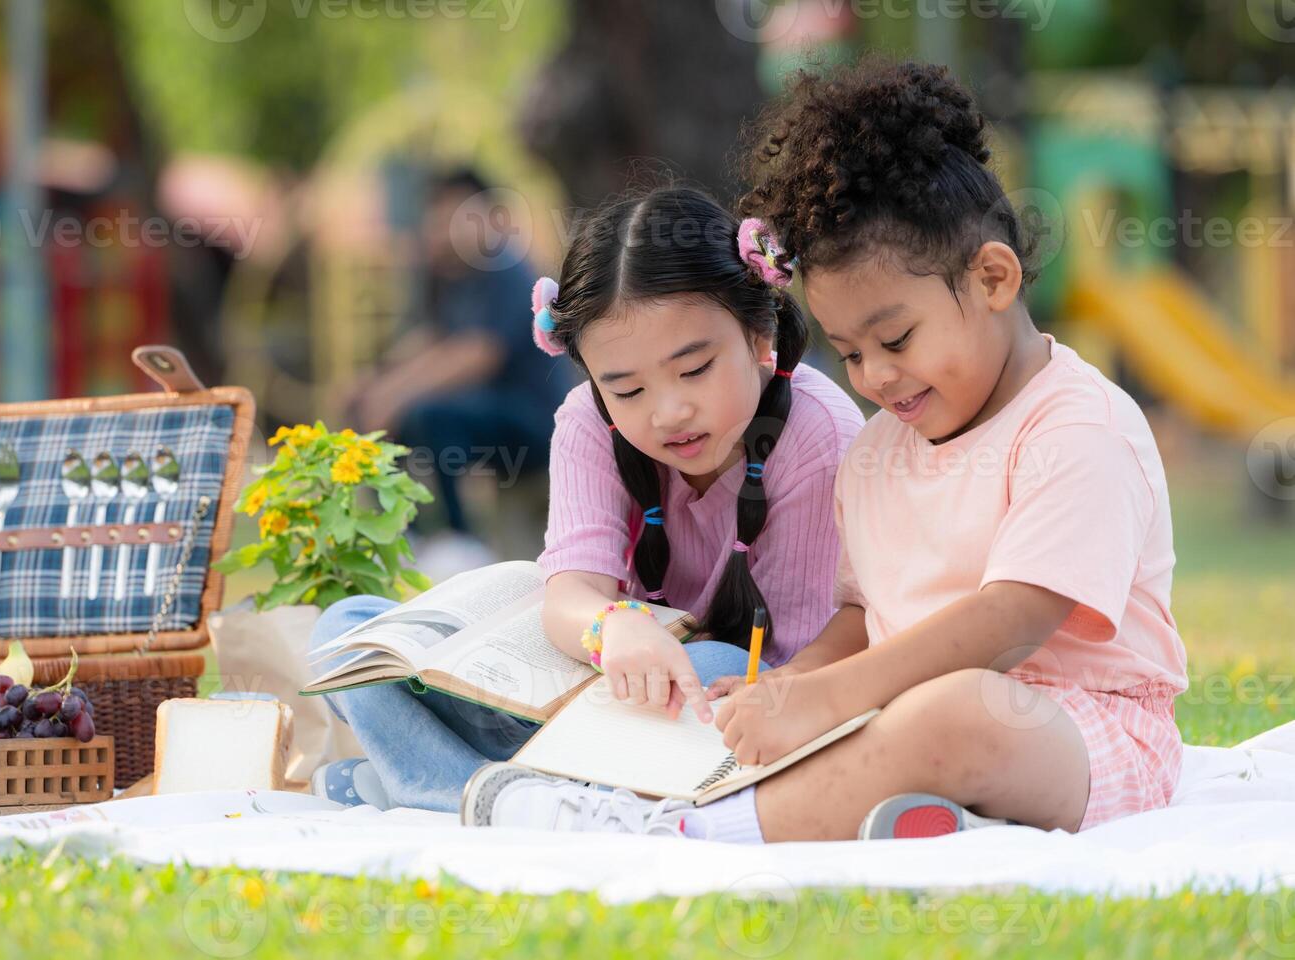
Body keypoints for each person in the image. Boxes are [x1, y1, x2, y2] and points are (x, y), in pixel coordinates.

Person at [461, 60, 1189, 842]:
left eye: (896, 338)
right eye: (849, 353)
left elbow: (1011, 620)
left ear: (992, 278)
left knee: (964, 711)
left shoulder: (1078, 427)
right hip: (897, 709)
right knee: (829, 717)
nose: (875, 376)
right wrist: (792, 690)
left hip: (1079, 731)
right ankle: (925, 820)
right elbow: (859, 614)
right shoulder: (879, 451)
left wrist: (831, 696)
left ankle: (673, 834)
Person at [308, 185, 864, 812]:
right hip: (587, 689)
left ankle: (447, 784)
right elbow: (572, 594)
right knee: (347, 634)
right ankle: (506, 793)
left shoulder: (816, 434)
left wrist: (685, 671)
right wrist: (612, 627)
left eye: (694, 369)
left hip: (709, 706)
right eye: (626, 391)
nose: (669, 412)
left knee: (709, 663)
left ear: (760, 332)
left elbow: (801, 658)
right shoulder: (585, 422)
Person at [342, 169, 572, 575]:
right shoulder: (454, 276)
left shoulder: (505, 265)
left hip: (535, 419)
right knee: (382, 411)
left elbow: (479, 353)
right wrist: (376, 383)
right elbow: (431, 340)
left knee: (429, 414)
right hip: (488, 412)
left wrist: (395, 394)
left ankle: (460, 540)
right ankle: (399, 531)